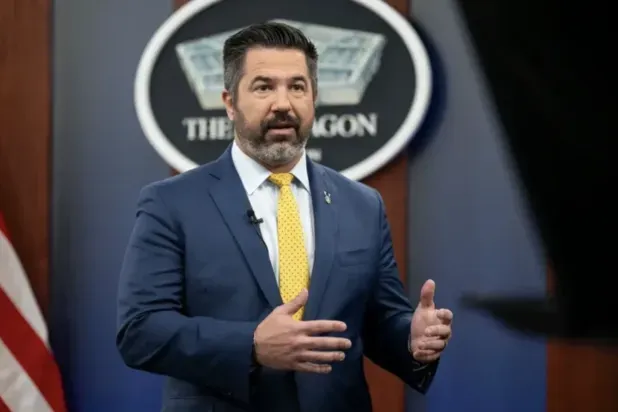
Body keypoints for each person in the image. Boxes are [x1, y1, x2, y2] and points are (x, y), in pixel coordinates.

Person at [116, 22, 453, 412]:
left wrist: (412, 339)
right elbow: (140, 331)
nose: (283, 104)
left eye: (297, 87)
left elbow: (380, 320)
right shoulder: (172, 203)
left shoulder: (362, 205)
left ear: (314, 99)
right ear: (230, 102)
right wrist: (251, 345)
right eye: (264, 87)